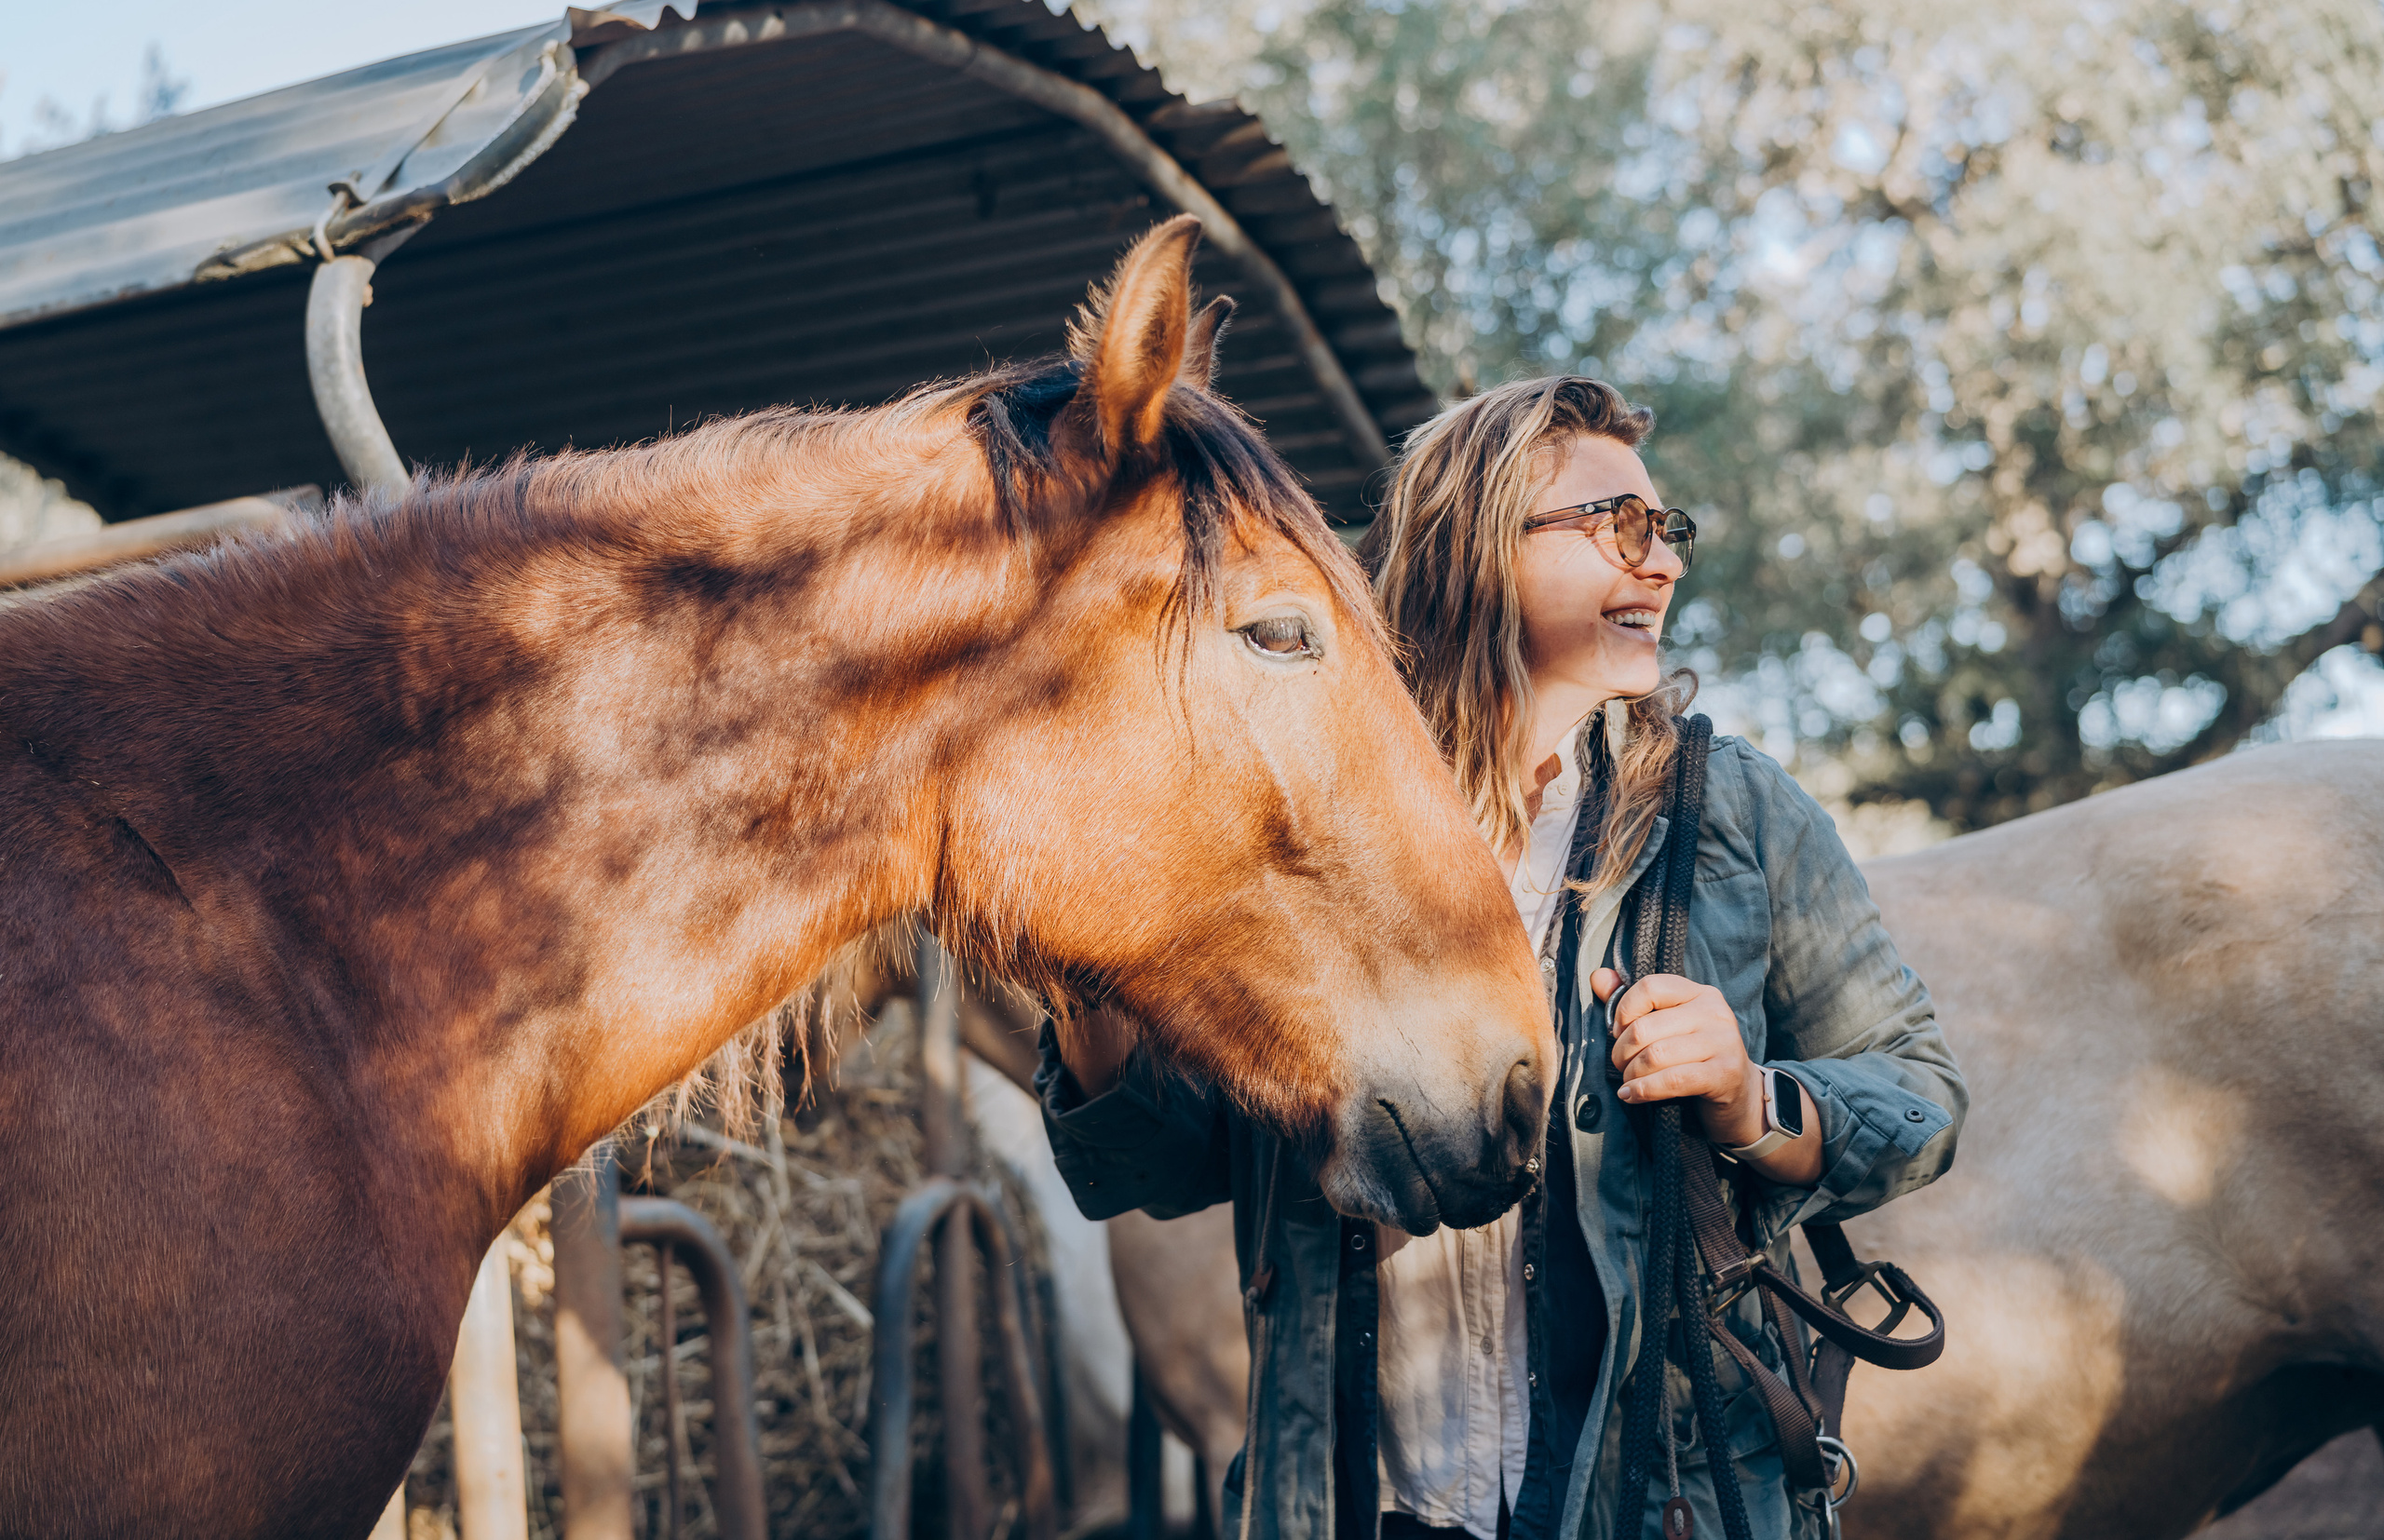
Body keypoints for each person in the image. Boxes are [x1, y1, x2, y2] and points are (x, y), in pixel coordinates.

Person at [1036, 376, 1967, 1540]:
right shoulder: (1304, 826)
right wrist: (1081, 968)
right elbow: (1153, 1168)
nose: (1662, 563)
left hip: (1666, 1504)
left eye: (1665, 530)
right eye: (1616, 524)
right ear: (1471, 545)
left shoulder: (1734, 813)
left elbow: (1918, 1090)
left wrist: (1751, 1100)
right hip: (1354, 1509)